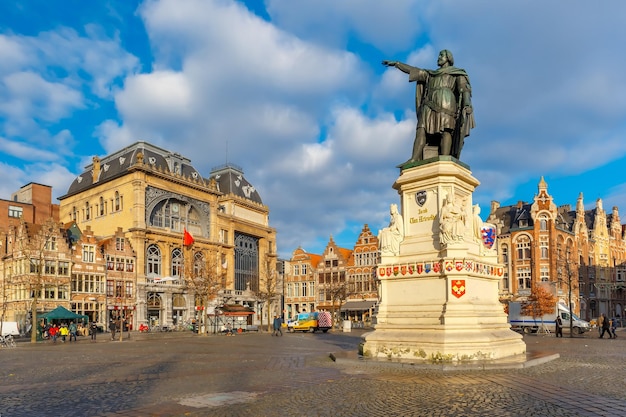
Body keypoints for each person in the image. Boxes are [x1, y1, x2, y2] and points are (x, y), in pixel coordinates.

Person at [383, 49, 475, 164]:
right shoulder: (430, 75)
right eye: (439, 55)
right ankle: (414, 158)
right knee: (422, 129)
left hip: (446, 102)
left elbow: (464, 89)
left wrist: (467, 103)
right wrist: (397, 64)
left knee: (446, 130)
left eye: (441, 55)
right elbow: (413, 70)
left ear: (448, 58)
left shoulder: (457, 73)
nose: (439, 57)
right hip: (428, 105)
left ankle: (445, 158)